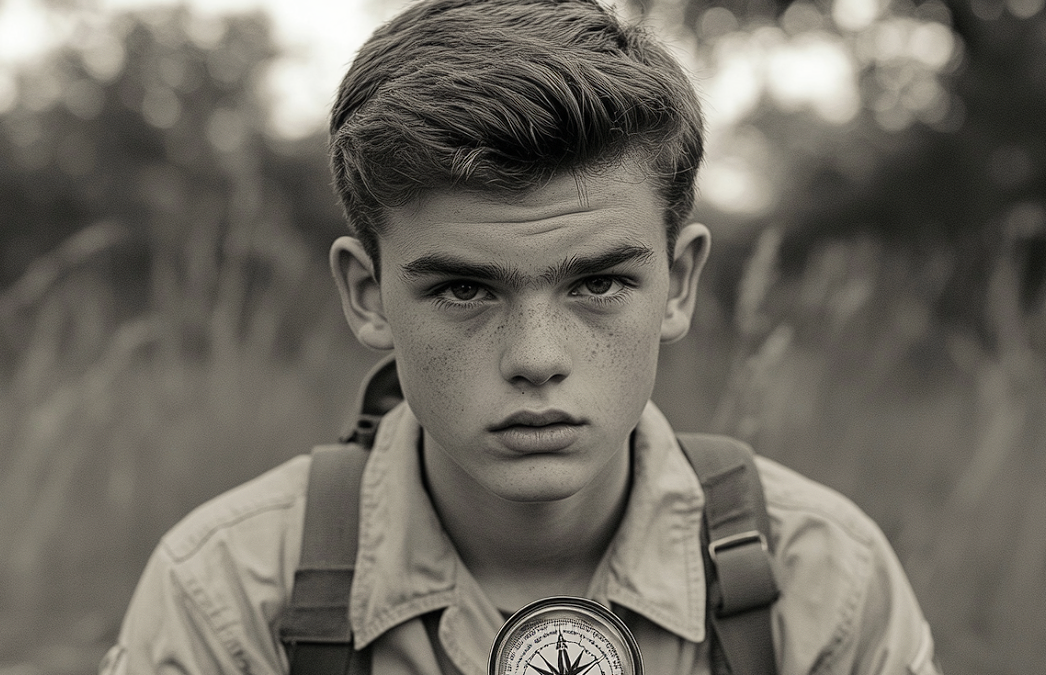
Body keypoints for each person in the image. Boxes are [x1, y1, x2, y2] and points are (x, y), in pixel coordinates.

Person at [101, 0, 942, 673]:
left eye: (598, 282)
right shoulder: (231, 595)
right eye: (464, 287)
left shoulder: (824, 585)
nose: (536, 359)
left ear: (679, 282)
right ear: (367, 293)